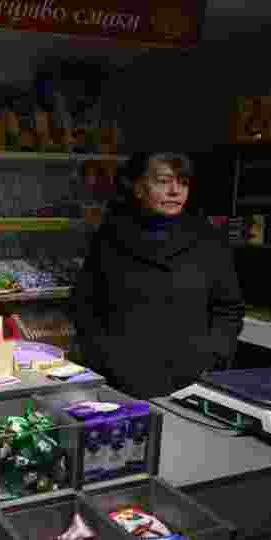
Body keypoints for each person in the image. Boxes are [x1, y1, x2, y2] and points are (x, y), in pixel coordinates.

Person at [70, 152, 246, 399]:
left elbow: (229, 308)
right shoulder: (110, 238)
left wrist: (213, 355)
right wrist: (103, 357)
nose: (175, 191)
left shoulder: (208, 240)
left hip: (192, 380)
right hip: (122, 380)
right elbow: (85, 304)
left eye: (183, 182)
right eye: (163, 182)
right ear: (140, 188)